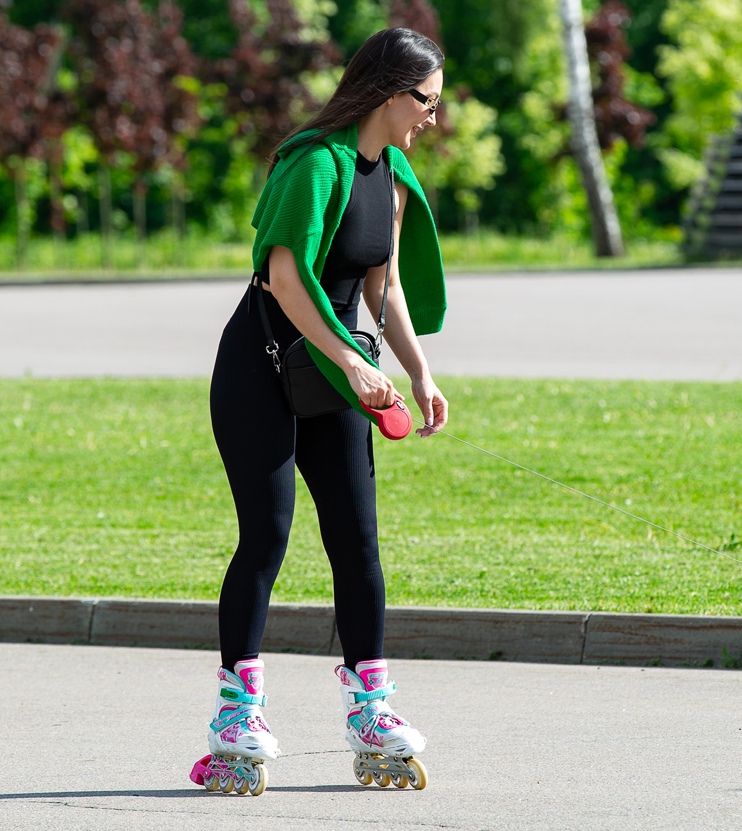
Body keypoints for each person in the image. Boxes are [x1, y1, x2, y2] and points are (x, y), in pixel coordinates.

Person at [195, 27, 449, 794]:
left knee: (357, 539)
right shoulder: (315, 162)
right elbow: (284, 278)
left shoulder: (392, 174)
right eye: (427, 101)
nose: (434, 118)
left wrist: (418, 371)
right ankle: (237, 715)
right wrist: (351, 361)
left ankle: (370, 709)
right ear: (386, 92)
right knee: (267, 534)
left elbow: (385, 286)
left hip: (337, 366)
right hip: (263, 365)